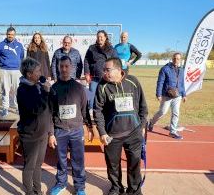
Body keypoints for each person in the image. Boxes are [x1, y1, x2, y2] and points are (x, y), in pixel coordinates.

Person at [94, 58, 148, 195]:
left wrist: (141, 125)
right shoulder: (102, 86)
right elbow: (97, 111)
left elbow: (143, 106)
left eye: (108, 70)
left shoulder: (133, 81)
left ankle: (134, 190)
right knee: (113, 165)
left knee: (134, 164)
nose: (104, 72)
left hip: (134, 132)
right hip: (112, 135)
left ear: (119, 70)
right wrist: (102, 132)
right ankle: (116, 188)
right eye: (104, 70)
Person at [48, 56, 93, 195]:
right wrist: (51, 134)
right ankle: (61, 183)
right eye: (61, 66)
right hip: (60, 130)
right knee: (61, 160)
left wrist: (90, 127)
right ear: (58, 68)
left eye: (67, 66)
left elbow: (84, 109)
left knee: (78, 160)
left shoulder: (79, 88)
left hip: (76, 130)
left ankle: (79, 187)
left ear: (72, 67)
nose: (64, 69)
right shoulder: (54, 88)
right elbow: (49, 113)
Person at [17, 57, 52, 195]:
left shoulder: (38, 84)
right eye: (37, 70)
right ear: (29, 74)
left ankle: (38, 190)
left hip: (42, 133)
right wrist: (45, 92)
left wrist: (48, 88)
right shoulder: (24, 90)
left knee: (38, 165)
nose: (40, 72)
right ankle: (30, 192)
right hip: (30, 135)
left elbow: (49, 104)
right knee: (30, 166)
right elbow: (36, 109)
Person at [148, 52, 186, 139]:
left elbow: (182, 83)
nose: (176, 60)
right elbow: (160, 82)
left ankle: (173, 132)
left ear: (180, 60)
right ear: (172, 59)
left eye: (178, 59)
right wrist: (158, 94)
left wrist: (184, 94)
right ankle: (151, 122)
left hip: (178, 95)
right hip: (167, 95)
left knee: (176, 113)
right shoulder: (165, 69)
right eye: (175, 58)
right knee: (162, 112)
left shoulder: (182, 70)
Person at [84, 30, 118, 112]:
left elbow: (116, 61)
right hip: (94, 77)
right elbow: (86, 60)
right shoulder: (91, 48)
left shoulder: (111, 49)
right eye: (98, 37)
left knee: (106, 95)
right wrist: (87, 73)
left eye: (101, 37)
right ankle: (90, 112)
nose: (100, 38)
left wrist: (114, 74)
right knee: (91, 95)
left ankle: (107, 112)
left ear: (105, 38)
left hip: (107, 78)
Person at [0, 26, 24, 116]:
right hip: (4, 70)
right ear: (6, 34)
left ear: (15, 35)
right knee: (5, 90)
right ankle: (5, 108)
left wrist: (17, 65)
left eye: (12, 35)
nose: (10, 36)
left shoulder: (19, 45)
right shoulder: (1, 45)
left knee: (18, 91)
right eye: (9, 34)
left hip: (16, 71)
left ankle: (18, 108)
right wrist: (3, 64)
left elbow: (22, 57)